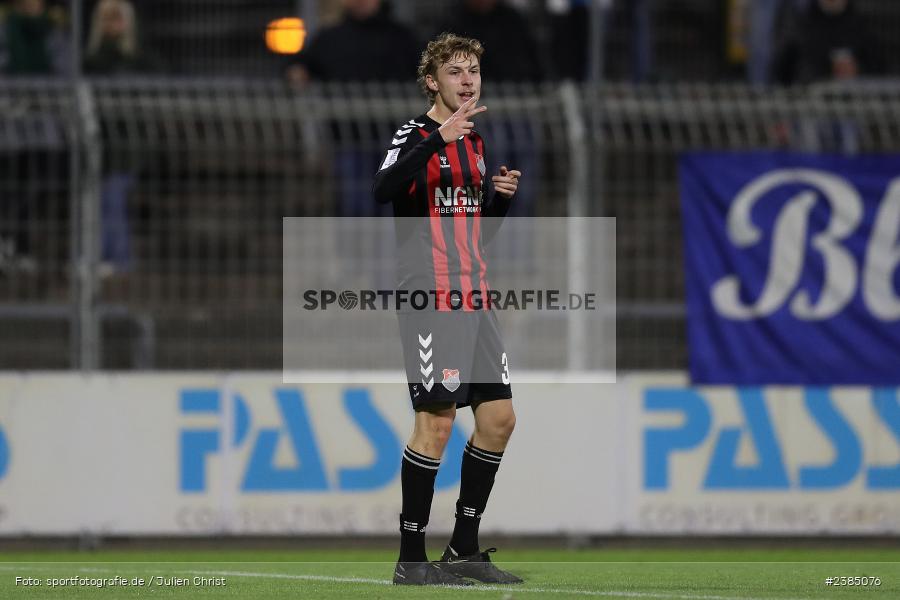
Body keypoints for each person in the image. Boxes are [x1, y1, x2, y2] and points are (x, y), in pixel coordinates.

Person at [372, 32, 523, 587]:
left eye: (473, 72)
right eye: (455, 72)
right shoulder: (415, 134)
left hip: (475, 295)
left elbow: (476, 238)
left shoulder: (476, 144)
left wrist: (501, 202)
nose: (467, 81)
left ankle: (462, 549)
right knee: (436, 423)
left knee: (499, 420)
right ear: (431, 81)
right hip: (432, 297)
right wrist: (437, 138)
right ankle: (411, 560)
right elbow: (384, 188)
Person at [772, 0, 883, 85]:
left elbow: (879, 67)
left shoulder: (862, 27)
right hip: (811, 104)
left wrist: (857, 69)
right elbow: (784, 71)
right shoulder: (802, 28)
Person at [84, 0, 157, 75]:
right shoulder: (89, 62)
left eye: (115, 17)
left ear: (128, 21)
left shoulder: (142, 59)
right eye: (105, 18)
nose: (109, 24)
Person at [0, 0, 68, 75]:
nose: (32, 3)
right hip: (9, 84)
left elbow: (65, 70)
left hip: (50, 84)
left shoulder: (54, 30)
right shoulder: (5, 29)